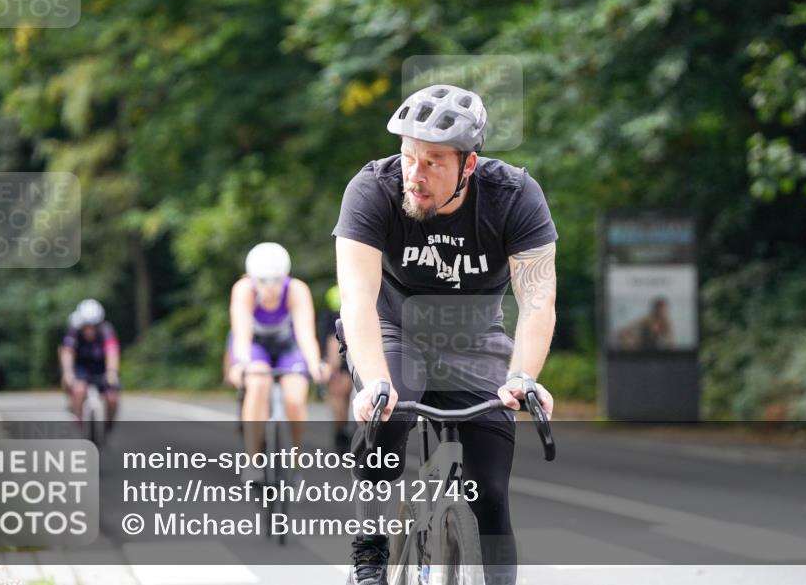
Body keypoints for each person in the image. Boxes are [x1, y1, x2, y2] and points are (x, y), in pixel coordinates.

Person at [334, 84, 557, 585]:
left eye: (434, 162)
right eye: (409, 157)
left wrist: (523, 376)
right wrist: (373, 383)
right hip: (394, 329)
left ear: (469, 165)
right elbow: (358, 301)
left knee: (491, 494)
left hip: (475, 341)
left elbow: (538, 299)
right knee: (386, 417)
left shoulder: (515, 196)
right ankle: (369, 552)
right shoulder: (371, 189)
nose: (416, 174)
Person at [225, 242, 329, 482]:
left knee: (295, 396)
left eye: (275, 280)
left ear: (285, 277)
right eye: (262, 281)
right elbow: (241, 334)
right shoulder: (243, 290)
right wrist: (240, 363)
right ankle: (253, 461)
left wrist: (315, 364)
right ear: (252, 278)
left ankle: (295, 465)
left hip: (288, 346)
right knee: (257, 383)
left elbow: (305, 333)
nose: (270, 287)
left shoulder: (296, 290)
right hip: (256, 346)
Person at [60, 299, 121, 429]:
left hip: (102, 367)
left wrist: (112, 372)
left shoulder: (106, 330)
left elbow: (112, 351)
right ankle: (77, 415)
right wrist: (67, 372)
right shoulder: (74, 331)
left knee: (112, 398)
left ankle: (109, 424)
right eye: (87, 326)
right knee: (78, 389)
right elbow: (67, 352)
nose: (90, 330)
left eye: (94, 326)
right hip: (82, 368)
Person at [319, 284, 353, 454]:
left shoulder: (333, 296)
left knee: (340, 395)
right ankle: (342, 434)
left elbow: (331, 339)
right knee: (342, 394)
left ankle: (341, 433)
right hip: (346, 353)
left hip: (343, 354)